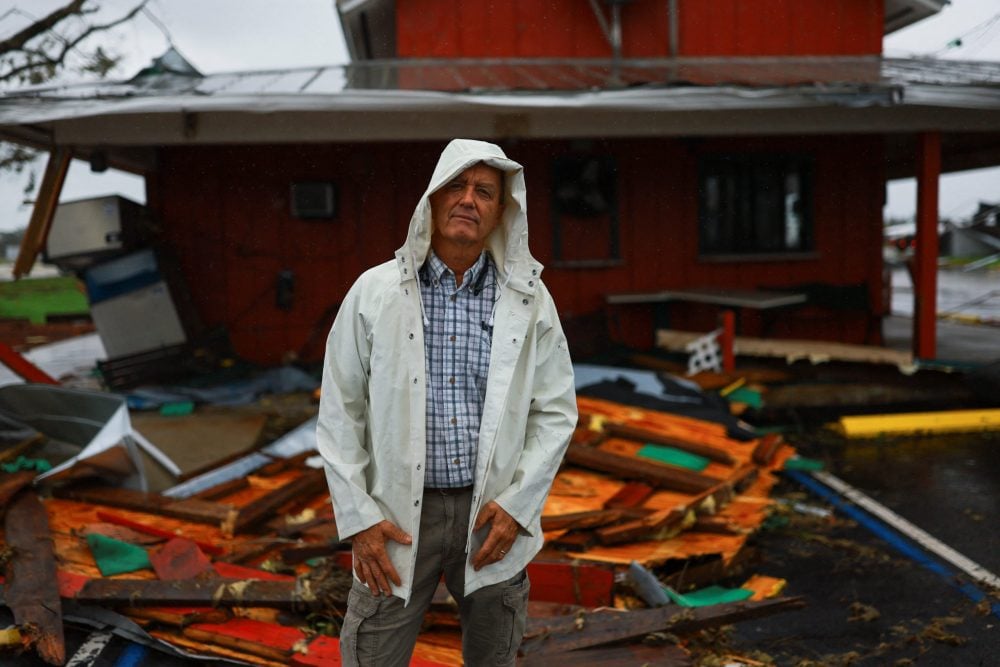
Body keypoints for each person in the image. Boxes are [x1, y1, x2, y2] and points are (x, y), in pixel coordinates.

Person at [317, 138, 577, 666]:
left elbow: (555, 411)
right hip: (395, 516)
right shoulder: (375, 292)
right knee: (372, 655)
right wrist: (360, 519)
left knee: (494, 654)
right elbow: (340, 411)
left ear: (501, 212)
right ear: (431, 200)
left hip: (491, 516)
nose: (468, 199)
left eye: (484, 191)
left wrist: (519, 506)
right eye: (456, 185)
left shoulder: (527, 298)